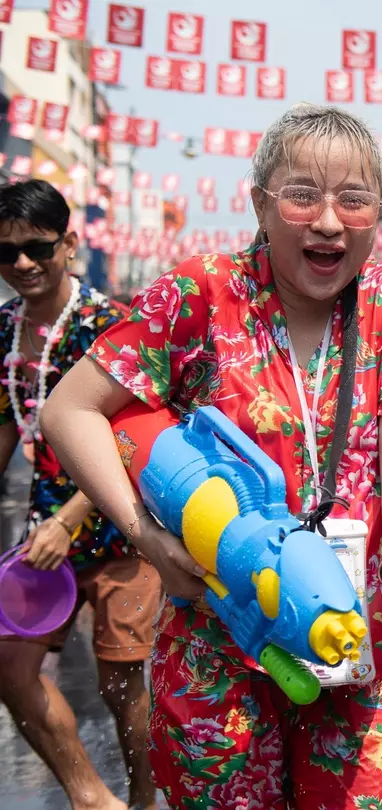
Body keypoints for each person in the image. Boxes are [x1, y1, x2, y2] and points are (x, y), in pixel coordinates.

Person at [41, 103, 382, 809]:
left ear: (379, 212)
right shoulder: (202, 292)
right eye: (302, 195)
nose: (328, 221)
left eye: (353, 201)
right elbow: (69, 410)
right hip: (217, 636)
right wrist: (143, 536)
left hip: (350, 630)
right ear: (260, 200)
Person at [0, 180, 160, 810]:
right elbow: (9, 425)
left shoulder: (109, 326)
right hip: (46, 539)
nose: (21, 265)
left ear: (69, 243)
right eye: (5, 254)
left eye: (37, 248)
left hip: (122, 526)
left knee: (121, 680)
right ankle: (91, 797)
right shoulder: (6, 330)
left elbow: (133, 442)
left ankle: (145, 801)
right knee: (12, 669)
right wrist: (53, 525)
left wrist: (70, 519)